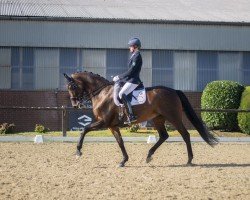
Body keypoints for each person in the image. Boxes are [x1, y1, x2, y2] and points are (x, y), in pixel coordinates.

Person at [113, 37, 143, 124]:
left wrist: (119, 77)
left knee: (121, 94)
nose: (129, 48)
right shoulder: (133, 55)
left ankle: (131, 116)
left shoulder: (137, 56)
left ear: (135, 46)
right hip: (130, 79)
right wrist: (121, 79)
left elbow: (131, 71)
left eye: (130, 46)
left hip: (134, 80)